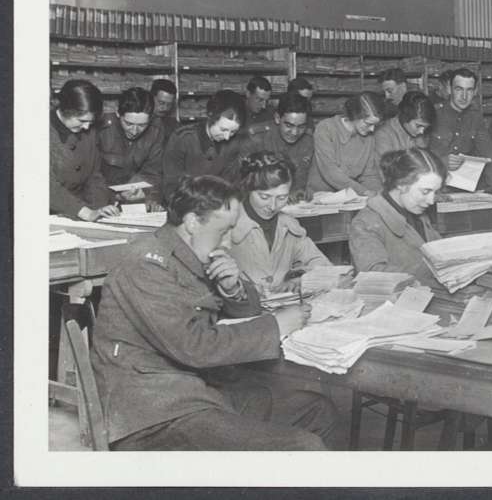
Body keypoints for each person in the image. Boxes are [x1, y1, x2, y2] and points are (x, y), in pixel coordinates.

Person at [91, 175, 341, 450]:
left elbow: (248, 311)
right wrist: (275, 327)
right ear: (192, 222)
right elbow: (194, 346)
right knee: (302, 447)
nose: (229, 241)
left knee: (318, 411)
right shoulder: (146, 264)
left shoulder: (190, 253)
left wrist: (232, 287)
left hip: (199, 392)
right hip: (155, 412)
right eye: (223, 231)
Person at [228, 151, 331, 294]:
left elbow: (322, 265)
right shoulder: (225, 225)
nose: (272, 206)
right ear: (248, 188)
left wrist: (300, 278)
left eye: (282, 198)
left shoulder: (289, 225)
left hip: (284, 310)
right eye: (264, 197)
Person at [348, 147, 444, 284]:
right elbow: (372, 275)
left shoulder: (417, 212)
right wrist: (432, 270)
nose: (431, 200)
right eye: (425, 191)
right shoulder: (366, 222)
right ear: (401, 184)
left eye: (435, 192)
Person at [428, 68, 492, 193]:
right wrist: (442, 161)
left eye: (469, 90)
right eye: (459, 89)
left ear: (475, 92)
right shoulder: (433, 115)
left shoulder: (475, 118)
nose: (464, 96)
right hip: (433, 188)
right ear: (449, 89)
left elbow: (488, 153)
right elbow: (416, 154)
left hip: (461, 188)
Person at [50, 79, 118, 220]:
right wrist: (85, 212)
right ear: (65, 109)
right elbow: (47, 185)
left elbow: (94, 175)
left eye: (90, 122)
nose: (87, 127)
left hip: (81, 212)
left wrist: (99, 209)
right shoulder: (41, 129)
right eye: (82, 121)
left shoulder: (88, 130)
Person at [161, 90, 247, 202]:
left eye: (233, 132)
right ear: (210, 116)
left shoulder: (235, 143)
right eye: (223, 129)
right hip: (184, 205)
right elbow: (171, 185)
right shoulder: (182, 138)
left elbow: (230, 183)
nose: (227, 137)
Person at [235, 92, 315, 198]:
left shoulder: (307, 141)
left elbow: (302, 177)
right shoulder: (256, 137)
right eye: (289, 125)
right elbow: (242, 181)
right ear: (277, 118)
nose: (295, 132)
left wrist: (300, 190)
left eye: (301, 126)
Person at [97, 87, 165, 208]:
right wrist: (113, 196)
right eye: (128, 124)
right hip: (101, 199)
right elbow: (90, 175)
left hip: (135, 198)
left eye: (142, 125)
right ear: (118, 113)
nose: (134, 131)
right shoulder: (101, 128)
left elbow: (153, 172)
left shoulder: (156, 130)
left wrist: (144, 192)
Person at [306, 91, 385, 196]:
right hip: (320, 197)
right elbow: (330, 172)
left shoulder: (368, 137)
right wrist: (364, 191)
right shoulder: (326, 128)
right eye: (368, 124)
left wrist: (379, 193)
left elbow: (369, 174)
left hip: (350, 198)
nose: (372, 129)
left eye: (375, 125)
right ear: (355, 115)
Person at [373, 90, 435, 162]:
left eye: (425, 127)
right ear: (405, 117)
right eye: (418, 126)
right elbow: (388, 169)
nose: (421, 131)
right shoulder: (383, 135)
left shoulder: (418, 134)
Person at [150, 78, 179, 143]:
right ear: (151, 98)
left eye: (169, 104)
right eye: (161, 103)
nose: (165, 108)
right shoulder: (139, 121)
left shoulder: (174, 125)